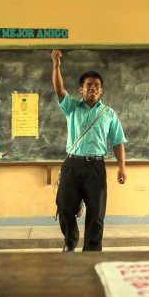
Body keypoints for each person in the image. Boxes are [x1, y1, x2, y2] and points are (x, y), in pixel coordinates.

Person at [51, 49, 127, 252]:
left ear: (101, 91)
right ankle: (70, 241)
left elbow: (118, 141)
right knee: (64, 206)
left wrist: (122, 168)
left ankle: (92, 251)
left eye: (97, 86)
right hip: (72, 165)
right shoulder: (72, 108)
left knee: (96, 213)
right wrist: (56, 66)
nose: (93, 88)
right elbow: (59, 90)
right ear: (81, 90)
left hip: (95, 167)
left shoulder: (109, 114)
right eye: (88, 86)